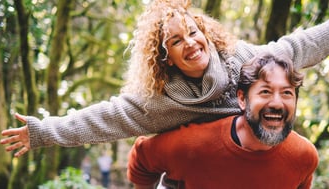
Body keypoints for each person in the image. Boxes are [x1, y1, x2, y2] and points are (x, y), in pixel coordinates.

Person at [0, 0, 329, 157]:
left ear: (205, 32)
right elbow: (102, 118)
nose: (189, 43)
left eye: (192, 32)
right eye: (175, 40)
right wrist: (42, 132)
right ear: (165, 57)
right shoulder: (159, 101)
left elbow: (292, 49)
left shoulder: (240, 60)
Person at [127, 52, 316, 188]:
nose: (277, 103)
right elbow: (143, 159)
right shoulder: (194, 145)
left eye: (286, 93)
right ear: (242, 99)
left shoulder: (303, 156)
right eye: (265, 92)